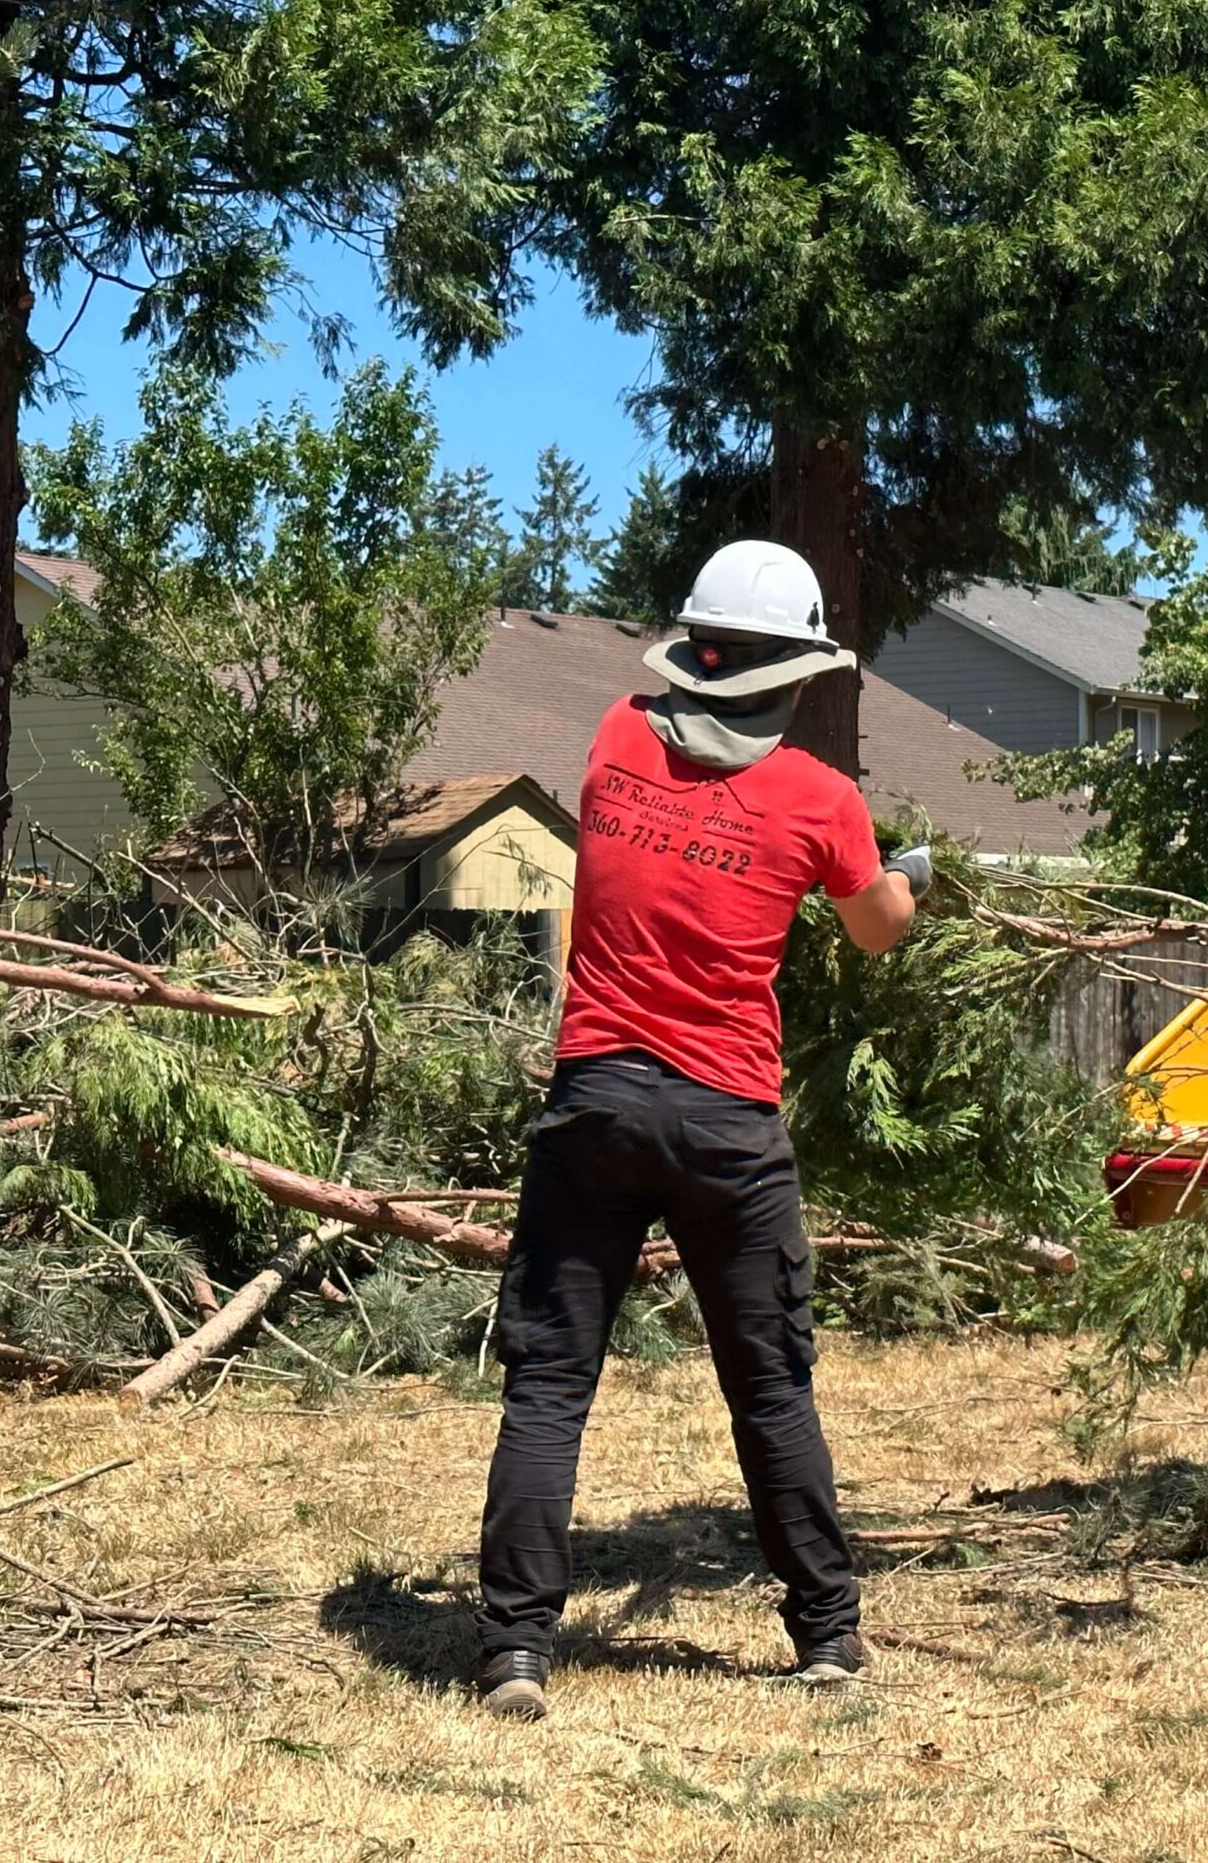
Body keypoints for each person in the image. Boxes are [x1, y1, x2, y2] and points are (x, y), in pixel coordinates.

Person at [476, 540, 928, 1718]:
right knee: (770, 1387)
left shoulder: (618, 736)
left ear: (693, 650)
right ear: (794, 674)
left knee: (550, 1384)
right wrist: (907, 878)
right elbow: (877, 930)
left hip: (596, 1101)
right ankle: (825, 1636)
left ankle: (516, 1650)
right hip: (727, 1119)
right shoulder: (824, 800)